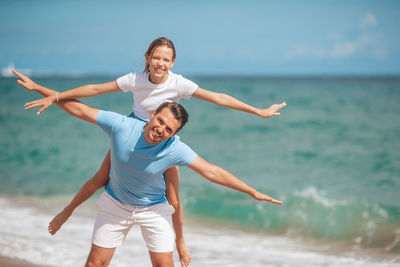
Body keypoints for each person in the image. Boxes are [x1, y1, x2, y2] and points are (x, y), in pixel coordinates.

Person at [18, 37, 286, 266]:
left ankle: (180, 240)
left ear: (173, 63)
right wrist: (52, 95)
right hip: (133, 135)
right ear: (147, 58)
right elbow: (94, 91)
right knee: (101, 179)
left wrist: (257, 111)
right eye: (156, 58)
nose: (160, 64)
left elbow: (219, 99)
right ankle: (70, 210)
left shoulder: (179, 86)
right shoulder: (134, 81)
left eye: (166, 60)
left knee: (173, 200)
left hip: (165, 148)